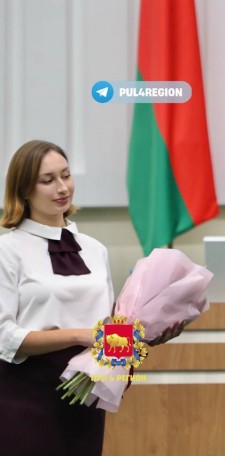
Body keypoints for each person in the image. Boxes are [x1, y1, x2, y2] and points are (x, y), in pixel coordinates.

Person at [0, 140, 114, 454]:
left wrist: (139, 341)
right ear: (23, 190)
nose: (62, 187)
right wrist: (80, 335)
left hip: (87, 394)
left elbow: (109, 323)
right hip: (26, 397)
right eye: (48, 180)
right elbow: (4, 336)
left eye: (66, 175)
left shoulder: (94, 249)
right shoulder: (7, 250)